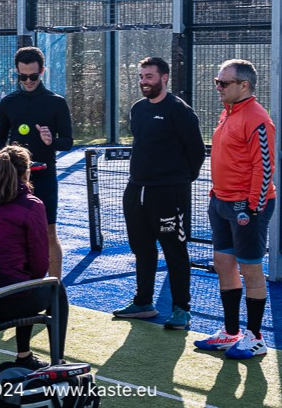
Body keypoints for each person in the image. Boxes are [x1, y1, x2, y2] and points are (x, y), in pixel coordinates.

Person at [113, 57, 206, 329]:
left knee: (174, 251)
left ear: (164, 78)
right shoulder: (138, 109)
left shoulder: (179, 110)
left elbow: (197, 151)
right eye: (141, 76)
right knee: (142, 249)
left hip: (169, 194)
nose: (144, 81)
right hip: (136, 190)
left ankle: (181, 309)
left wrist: (178, 181)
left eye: (149, 76)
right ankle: (143, 303)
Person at [194, 59, 276, 358]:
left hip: (247, 207)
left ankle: (255, 339)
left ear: (244, 85)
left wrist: (252, 208)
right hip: (221, 202)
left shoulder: (257, 118)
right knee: (223, 264)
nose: (218, 87)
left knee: (251, 270)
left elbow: (264, 167)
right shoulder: (227, 113)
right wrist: (216, 195)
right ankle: (230, 333)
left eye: (224, 83)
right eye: (217, 81)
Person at [0, 145, 69, 370]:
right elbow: (39, 265)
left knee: (24, 281)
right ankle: (56, 362)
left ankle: (25, 356)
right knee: (54, 288)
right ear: (26, 172)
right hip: (3, 303)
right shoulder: (32, 205)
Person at [0, 46, 73, 279]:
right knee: (13, 233)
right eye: (23, 76)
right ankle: (18, 285)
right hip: (14, 178)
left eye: (33, 76)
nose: (28, 81)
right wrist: (8, 159)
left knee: (49, 233)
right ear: (17, 73)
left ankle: (55, 289)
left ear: (42, 71)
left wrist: (51, 141)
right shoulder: (8, 102)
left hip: (45, 175)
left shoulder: (56, 102)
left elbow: (67, 141)